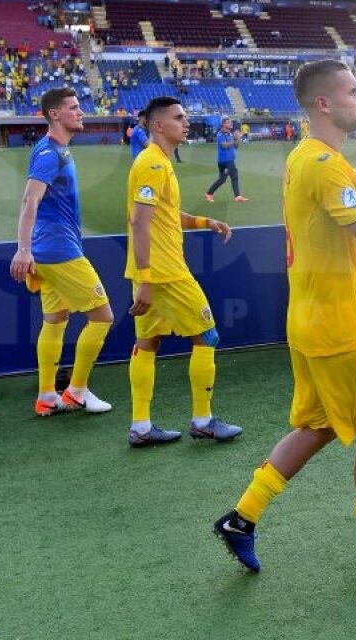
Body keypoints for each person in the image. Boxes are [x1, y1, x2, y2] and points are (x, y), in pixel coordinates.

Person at [213, 59, 356, 576]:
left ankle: (241, 519)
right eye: (354, 92)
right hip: (338, 326)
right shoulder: (321, 164)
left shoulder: (311, 156)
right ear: (324, 103)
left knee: (315, 425)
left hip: (309, 320)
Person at [125, 96, 240, 448]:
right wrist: (146, 279)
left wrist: (204, 221)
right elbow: (139, 223)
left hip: (151, 272)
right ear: (158, 125)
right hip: (164, 273)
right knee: (207, 337)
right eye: (179, 118)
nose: (186, 122)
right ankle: (203, 420)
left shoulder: (157, 161)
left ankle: (141, 427)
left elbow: (162, 215)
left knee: (147, 343)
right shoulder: (153, 165)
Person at [9, 87, 114, 416]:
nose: (80, 112)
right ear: (55, 114)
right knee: (102, 316)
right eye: (73, 107)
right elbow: (29, 200)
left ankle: (46, 395)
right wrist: (22, 249)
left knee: (55, 320)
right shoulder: (49, 154)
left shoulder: (56, 150)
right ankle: (77, 390)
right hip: (58, 251)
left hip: (48, 252)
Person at [205, 116, 248, 203]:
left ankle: (237, 196)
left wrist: (238, 139)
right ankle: (209, 193)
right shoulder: (220, 135)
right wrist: (235, 138)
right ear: (224, 124)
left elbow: (236, 146)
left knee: (235, 177)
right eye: (229, 122)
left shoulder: (230, 134)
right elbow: (224, 146)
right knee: (222, 179)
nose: (231, 123)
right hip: (224, 162)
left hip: (231, 161)